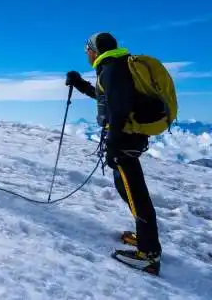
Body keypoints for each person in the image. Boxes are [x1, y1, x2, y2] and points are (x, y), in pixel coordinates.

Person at [66, 32, 162, 274]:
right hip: (128, 138)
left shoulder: (112, 70)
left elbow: (118, 110)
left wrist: (114, 144)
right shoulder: (112, 68)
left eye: (87, 48)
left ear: (95, 50)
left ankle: (148, 254)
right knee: (129, 190)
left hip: (124, 140)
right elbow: (107, 99)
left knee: (135, 193)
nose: (86, 53)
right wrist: (79, 84)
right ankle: (145, 240)